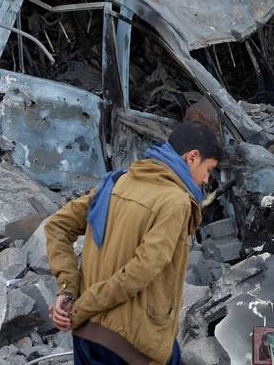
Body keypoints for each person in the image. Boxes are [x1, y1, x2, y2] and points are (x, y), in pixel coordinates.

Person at [44, 121, 222, 365]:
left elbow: (56, 225)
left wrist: (68, 289)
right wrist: (79, 306)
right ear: (192, 158)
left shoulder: (118, 181)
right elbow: (141, 270)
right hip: (132, 345)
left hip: (87, 336)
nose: (206, 179)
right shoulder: (175, 201)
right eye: (209, 169)